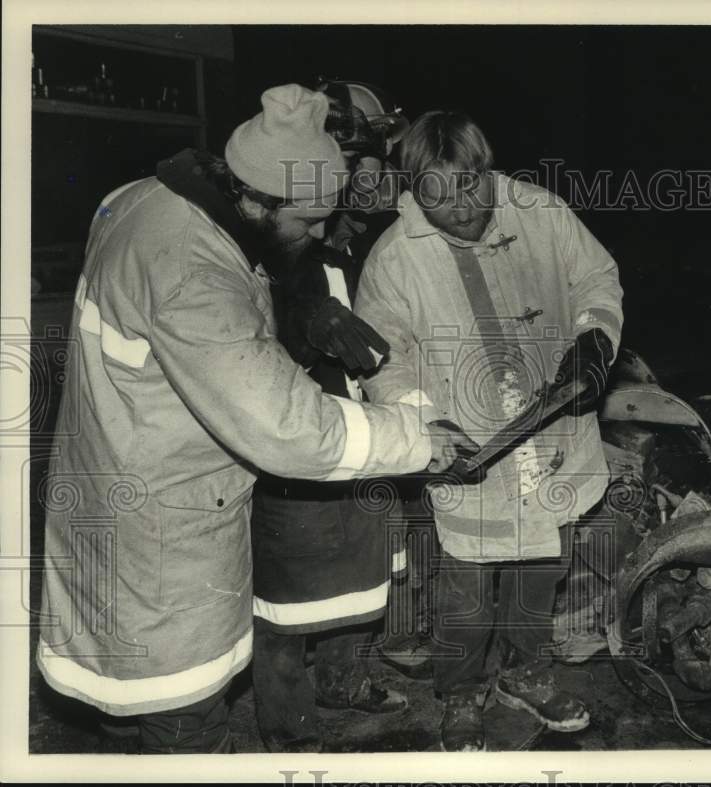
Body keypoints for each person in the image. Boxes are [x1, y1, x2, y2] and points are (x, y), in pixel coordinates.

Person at [36, 85, 475, 754]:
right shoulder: (194, 272)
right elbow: (291, 427)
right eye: (310, 221)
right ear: (262, 202)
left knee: (141, 721)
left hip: (114, 488)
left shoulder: (138, 200)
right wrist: (416, 438)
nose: (324, 233)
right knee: (187, 727)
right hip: (162, 541)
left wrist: (299, 314)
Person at [354, 110, 624, 751]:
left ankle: (526, 674)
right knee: (467, 587)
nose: (460, 209)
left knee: (542, 566)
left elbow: (596, 277)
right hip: (468, 444)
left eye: (471, 185)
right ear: (413, 190)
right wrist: (427, 421)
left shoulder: (541, 212)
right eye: (436, 195)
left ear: (488, 170)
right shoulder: (394, 260)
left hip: (552, 433)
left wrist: (594, 335)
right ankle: (461, 689)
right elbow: (385, 358)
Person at [248, 81, 426, 753]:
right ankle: (289, 728)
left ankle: (344, 679)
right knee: (290, 590)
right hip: (294, 428)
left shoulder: (365, 233)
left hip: (365, 423)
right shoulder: (275, 222)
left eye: (377, 165)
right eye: (359, 164)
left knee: (369, 559)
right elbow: (247, 312)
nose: (370, 180)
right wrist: (301, 318)